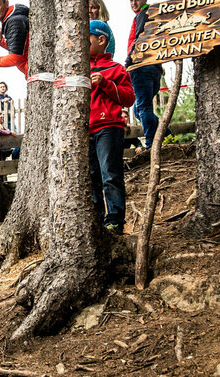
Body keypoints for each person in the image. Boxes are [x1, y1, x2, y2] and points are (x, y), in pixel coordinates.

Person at [89, 21, 136, 234]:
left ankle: (115, 220)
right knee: (91, 176)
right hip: (85, 130)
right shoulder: (78, 68)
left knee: (110, 174)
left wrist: (105, 83)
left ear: (101, 40)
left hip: (109, 127)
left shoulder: (116, 68)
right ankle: (97, 221)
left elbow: (129, 98)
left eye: (87, 37)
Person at [126, 0, 166, 149]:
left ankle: (150, 144)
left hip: (141, 66)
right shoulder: (153, 14)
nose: (133, 3)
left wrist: (128, 61)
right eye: (131, 0)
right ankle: (166, 134)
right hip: (154, 67)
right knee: (138, 110)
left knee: (143, 108)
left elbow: (139, 38)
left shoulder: (143, 14)